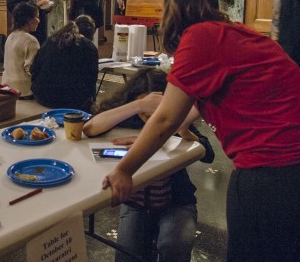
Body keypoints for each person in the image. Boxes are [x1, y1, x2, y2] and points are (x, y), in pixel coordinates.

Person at [102, 0, 300, 262]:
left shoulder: (198, 38)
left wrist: (124, 169)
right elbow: (188, 108)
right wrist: (150, 143)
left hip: (278, 174)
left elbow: (166, 118)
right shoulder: (235, 31)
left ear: (173, 7)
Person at [84, 68, 214, 262]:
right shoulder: (129, 116)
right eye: (145, 108)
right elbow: (89, 128)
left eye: (156, 109)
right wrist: (137, 105)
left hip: (177, 203)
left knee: (173, 247)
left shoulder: (171, 119)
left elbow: (208, 153)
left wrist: (181, 130)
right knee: (126, 255)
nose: (149, 114)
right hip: (136, 205)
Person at [31, 15, 99, 112]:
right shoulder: (89, 47)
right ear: (92, 33)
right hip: (70, 101)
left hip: (42, 95)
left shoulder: (52, 39)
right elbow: (91, 79)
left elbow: (34, 68)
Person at [1, 2, 40, 98]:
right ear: (29, 20)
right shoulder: (31, 41)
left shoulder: (11, 36)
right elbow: (31, 69)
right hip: (24, 90)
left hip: (7, 86)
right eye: (36, 17)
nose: (38, 20)